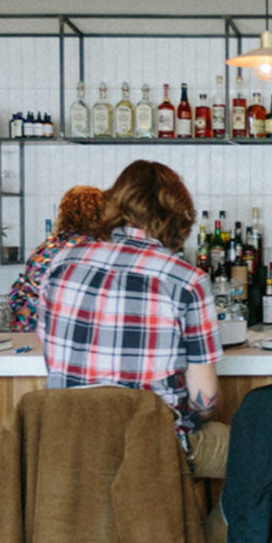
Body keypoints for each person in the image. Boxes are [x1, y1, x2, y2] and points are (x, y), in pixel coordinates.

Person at [37, 160, 228, 480]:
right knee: (260, 456)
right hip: (152, 450)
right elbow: (204, 400)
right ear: (177, 215)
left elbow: (51, 352)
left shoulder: (61, 262)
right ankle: (200, 532)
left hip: (67, 448)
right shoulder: (186, 280)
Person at [5, 185, 107, 333]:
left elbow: (22, 296)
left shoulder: (46, 249)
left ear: (64, 215)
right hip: (77, 335)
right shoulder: (101, 251)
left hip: (31, 334)